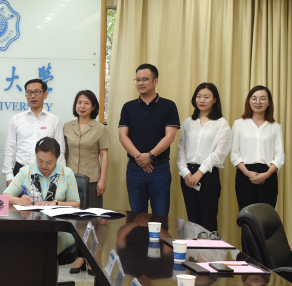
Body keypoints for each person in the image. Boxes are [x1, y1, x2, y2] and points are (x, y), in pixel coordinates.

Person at [4, 137, 80, 269]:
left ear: (57, 159)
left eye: (49, 162)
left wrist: (56, 203)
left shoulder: (66, 173)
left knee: (45, 249)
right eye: (40, 160)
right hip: (31, 228)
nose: (44, 165)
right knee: (31, 248)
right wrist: (20, 200)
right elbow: (5, 196)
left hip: (58, 230)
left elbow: (75, 204)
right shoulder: (26, 171)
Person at [118, 64, 180, 216]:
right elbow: (123, 136)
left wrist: (150, 156)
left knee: (160, 216)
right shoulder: (128, 107)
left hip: (159, 169)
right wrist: (140, 158)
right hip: (135, 169)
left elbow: (170, 136)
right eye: (137, 79)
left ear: (155, 81)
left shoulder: (169, 106)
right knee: (136, 217)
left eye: (145, 79)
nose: (140, 83)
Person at [62, 90, 109, 274]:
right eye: (79, 102)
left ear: (94, 106)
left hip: (92, 179)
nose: (82, 106)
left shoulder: (100, 128)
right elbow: (64, 153)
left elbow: (104, 155)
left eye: (86, 103)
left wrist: (102, 179)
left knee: (92, 220)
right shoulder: (67, 126)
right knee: (77, 220)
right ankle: (80, 256)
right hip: (72, 180)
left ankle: (90, 257)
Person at [177, 83, 231, 231]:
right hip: (188, 176)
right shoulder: (188, 123)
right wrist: (185, 172)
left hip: (208, 174)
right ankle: (193, 247)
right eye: (198, 96)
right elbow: (181, 149)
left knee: (208, 219)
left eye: (206, 97)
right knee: (192, 219)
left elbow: (220, 152)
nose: (201, 100)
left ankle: (208, 247)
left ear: (214, 99)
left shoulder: (221, 124)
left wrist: (200, 172)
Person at [3, 78, 65, 187]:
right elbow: (10, 150)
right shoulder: (16, 119)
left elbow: (60, 152)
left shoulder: (54, 121)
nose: (32, 96)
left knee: (45, 199)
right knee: (18, 199)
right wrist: (9, 176)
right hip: (20, 171)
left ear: (45, 94)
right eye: (29, 93)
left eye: (36, 92)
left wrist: (60, 177)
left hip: (46, 173)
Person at [231, 86, 284, 211]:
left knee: (265, 216)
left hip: (268, 175)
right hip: (244, 174)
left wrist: (266, 175)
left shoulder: (275, 127)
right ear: (249, 101)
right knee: (246, 215)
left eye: (262, 99)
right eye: (254, 98)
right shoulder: (239, 124)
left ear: (269, 102)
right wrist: (248, 173)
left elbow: (279, 157)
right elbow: (234, 154)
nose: (258, 102)